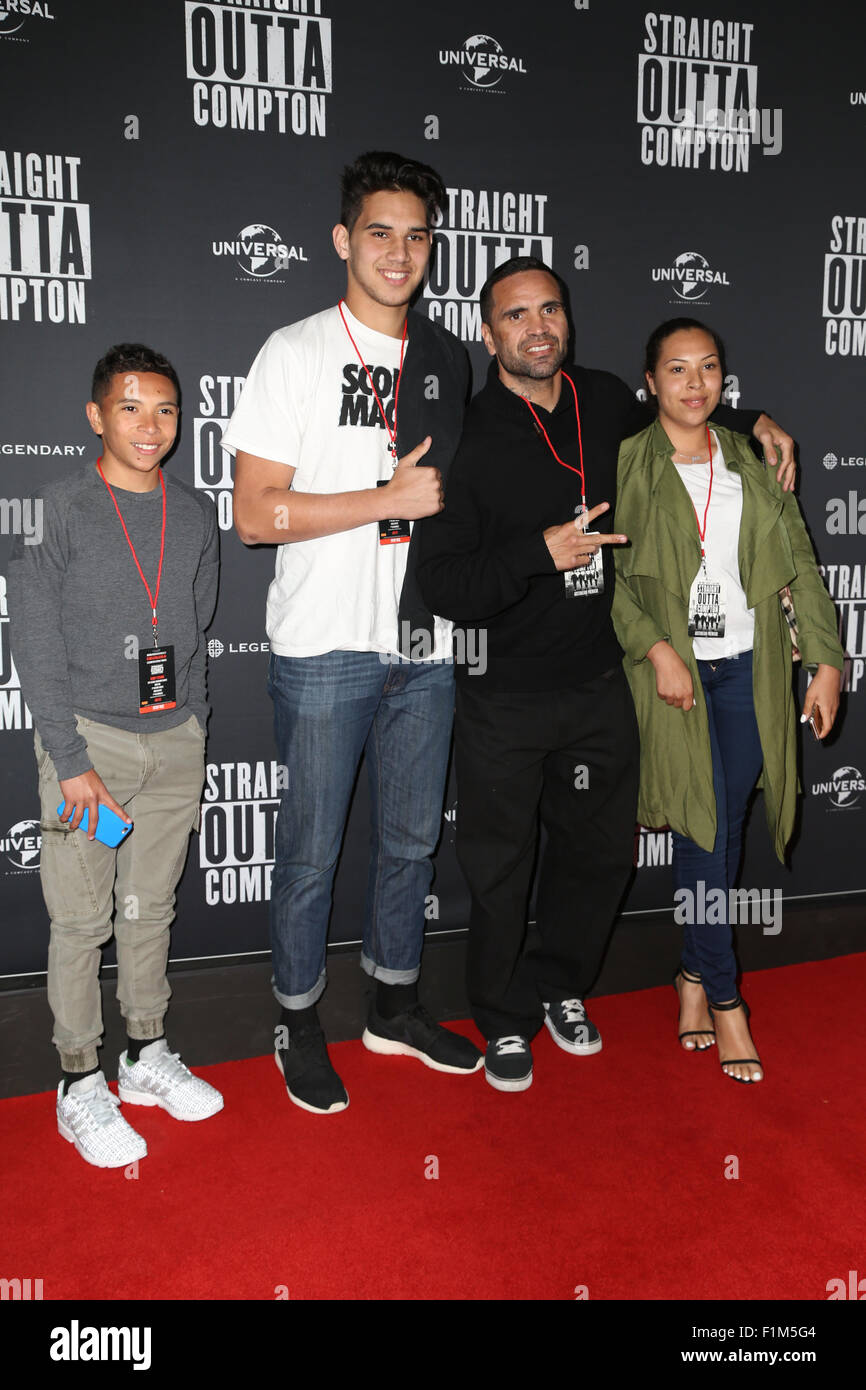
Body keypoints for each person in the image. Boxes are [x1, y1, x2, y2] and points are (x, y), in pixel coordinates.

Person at [415, 257, 797, 1093]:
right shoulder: (466, 436)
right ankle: (506, 1017)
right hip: (503, 691)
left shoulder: (602, 401)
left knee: (595, 860)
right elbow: (439, 584)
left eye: (550, 310)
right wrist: (535, 555)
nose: (537, 327)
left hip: (600, 684)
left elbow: (682, 406)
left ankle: (561, 988)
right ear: (490, 334)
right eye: (516, 316)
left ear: (568, 321)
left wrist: (756, 416)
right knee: (503, 867)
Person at [222, 151, 481, 1117]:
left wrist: (747, 418)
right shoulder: (292, 351)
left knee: (412, 845)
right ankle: (296, 1016)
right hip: (324, 645)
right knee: (311, 854)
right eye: (380, 231)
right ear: (343, 240)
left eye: (417, 235)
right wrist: (384, 501)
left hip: (423, 646)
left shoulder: (448, 359)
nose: (399, 252)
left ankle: (394, 1005)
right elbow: (254, 516)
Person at [8, 344, 223, 1168]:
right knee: (81, 919)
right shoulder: (58, 508)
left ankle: (144, 1055)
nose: (150, 425)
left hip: (172, 742)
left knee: (149, 911)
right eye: (131, 408)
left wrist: (193, 726)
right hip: (87, 747)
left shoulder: (196, 514)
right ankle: (77, 1082)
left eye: (165, 409)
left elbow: (196, 637)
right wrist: (68, 758)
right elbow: (35, 643)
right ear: (97, 416)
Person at [612, 318, 844, 1083]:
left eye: (707, 367)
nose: (694, 383)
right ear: (651, 382)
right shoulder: (628, 463)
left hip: (750, 671)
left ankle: (687, 976)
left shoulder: (750, 458)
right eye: (676, 370)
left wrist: (826, 661)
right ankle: (724, 997)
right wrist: (657, 650)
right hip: (676, 677)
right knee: (707, 832)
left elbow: (801, 568)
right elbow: (612, 585)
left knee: (724, 831)